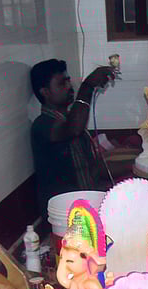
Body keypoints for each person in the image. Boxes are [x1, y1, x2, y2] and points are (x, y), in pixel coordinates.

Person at [30, 60, 115, 216]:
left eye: (68, 81)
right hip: (66, 216)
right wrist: (87, 87)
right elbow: (73, 129)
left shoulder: (70, 119)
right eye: (62, 84)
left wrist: (134, 165)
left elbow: (95, 171)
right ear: (45, 92)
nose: (69, 87)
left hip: (89, 206)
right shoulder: (42, 125)